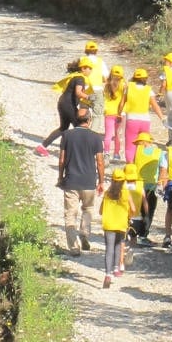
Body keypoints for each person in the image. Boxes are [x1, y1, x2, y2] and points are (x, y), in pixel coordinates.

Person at [58, 106, 105, 256]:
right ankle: (84, 233)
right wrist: (101, 181)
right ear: (89, 120)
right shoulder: (96, 137)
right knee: (87, 210)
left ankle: (74, 247)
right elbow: (100, 162)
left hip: (71, 180)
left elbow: (62, 159)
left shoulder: (67, 135)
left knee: (70, 214)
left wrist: (60, 177)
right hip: (89, 180)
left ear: (75, 121)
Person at [99, 163, 141, 288]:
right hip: (121, 224)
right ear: (123, 181)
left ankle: (107, 274)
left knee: (109, 249)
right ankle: (117, 268)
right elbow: (133, 209)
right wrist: (129, 215)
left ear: (112, 180)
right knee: (118, 246)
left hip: (108, 224)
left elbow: (100, 211)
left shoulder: (107, 194)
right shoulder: (126, 193)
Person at [36, 58, 89, 156]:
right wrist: (88, 97)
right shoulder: (80, 78)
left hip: (62, 103)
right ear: (83, 68)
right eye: (89, 69)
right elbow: (78, 92)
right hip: (69, 105)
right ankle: (81, 152)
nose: (91, 71)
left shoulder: (74, 77)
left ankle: (42, 146)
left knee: (63, 128)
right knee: (80, 127)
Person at [121, 67, 164, 164]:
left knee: (130, 145)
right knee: (145, 143)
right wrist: (162, 118)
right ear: (146, 79)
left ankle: (130, 166)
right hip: (145, 121)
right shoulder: (149, 90)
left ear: (134, 78)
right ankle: (144, 163)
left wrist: (119, 114)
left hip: (132, 120)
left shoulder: (129, 88)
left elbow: (121, 103)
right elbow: (155, 106)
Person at [131, 129, 162, 242]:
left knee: (138, 209)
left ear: (143, 142)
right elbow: (162, 169)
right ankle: (143, 234)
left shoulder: (138, 151)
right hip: (152, 185)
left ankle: (134, 232)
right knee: (149, 210)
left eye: (138, 142)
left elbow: (133, 165)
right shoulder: (158, 152)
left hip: (139, 184)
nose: (137, 144)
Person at [100, 64, 126, 158]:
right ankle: (116, 153)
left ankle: (106, 153)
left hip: (108, 113)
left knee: (108, 135)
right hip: (120, 113)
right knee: (118, 134)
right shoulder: (123, 86)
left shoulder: (106, 86)